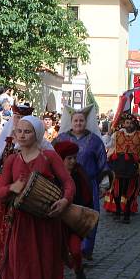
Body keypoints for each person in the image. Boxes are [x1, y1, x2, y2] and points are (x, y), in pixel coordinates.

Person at [0, 117, 75, 279]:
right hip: (20, 225)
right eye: (19, 131)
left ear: (37, 134)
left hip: (44, 225)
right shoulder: (12, 159)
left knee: (41, 273)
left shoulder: (49, 157)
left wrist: (64, 201)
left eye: (27, 132)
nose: (21, 135)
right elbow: (0, 191)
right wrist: (12, 187)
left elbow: (69, 183)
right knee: (19, 275)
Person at [0, 103, 33, 277]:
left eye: (23, 118)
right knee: (3, 228)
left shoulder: (37, 140)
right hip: (6, 191)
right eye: (17, 117)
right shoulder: (7, 139)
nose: (19, 122)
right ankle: (0, 264)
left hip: (28, 192)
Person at [54, 110, 107, 260]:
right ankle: (67, 249)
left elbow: (103, 163)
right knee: (65, 215)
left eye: (81, 120)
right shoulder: (61, 138)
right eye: (76, 120)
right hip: (64, 183)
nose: (78, 123)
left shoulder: (95, 140)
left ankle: (85, 251)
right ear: (71, 122)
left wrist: (104, 184)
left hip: (88, 185)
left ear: (86, 122)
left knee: (89, 216)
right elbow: (51, 157)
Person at [53, 141, 91, 279]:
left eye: (74, 158)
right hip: (57, 223)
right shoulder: (53, 176)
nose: (73, 161)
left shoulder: (79, 174)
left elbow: (86, 198)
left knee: (75, 251)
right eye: (69, 158)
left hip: (74, 222)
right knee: (58, 254)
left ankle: (79, 269)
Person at [105, 113, 140, 223]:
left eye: (131, 123)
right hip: (119, 166)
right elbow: (109, 146)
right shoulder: (117, 135)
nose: (129, 125)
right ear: (124, 124)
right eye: (127, 122)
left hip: (132, 168)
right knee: (116, 191)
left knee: (130, 192)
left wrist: (139, 117)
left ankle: (127, 213)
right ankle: (117, 210)